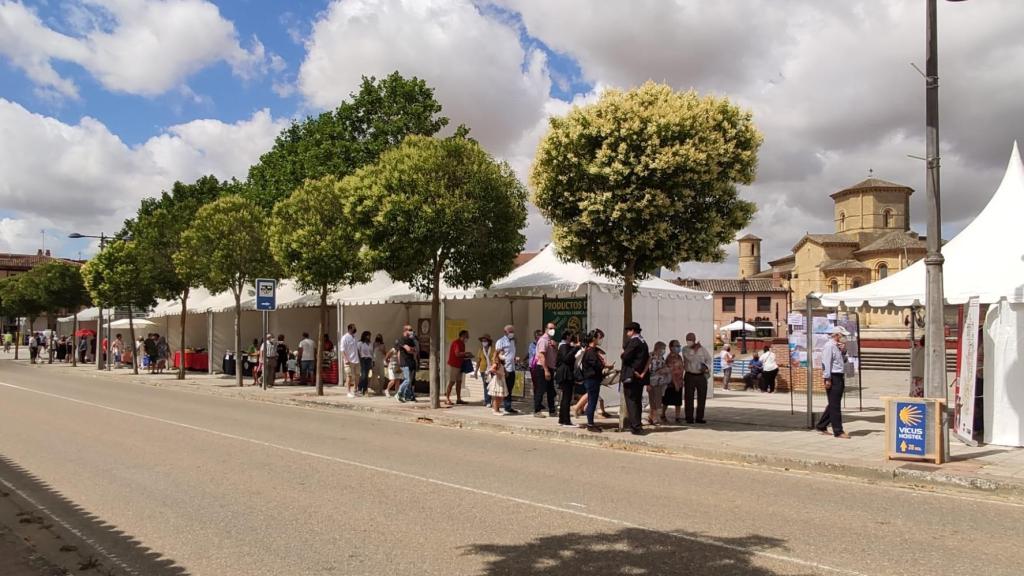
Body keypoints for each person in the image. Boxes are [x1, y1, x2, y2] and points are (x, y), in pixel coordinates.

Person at [816, 327, 850, 438]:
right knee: (835, 405)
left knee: (833, 403)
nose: (844, 338)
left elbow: (842, 361)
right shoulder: (829, 346)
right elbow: (826, 363)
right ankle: (838, 431)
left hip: (839, 375)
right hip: (833, 376)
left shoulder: (837, 346)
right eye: (843, 336)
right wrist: (827, 378)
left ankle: (821, 425)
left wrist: (843, 351)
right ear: (837, 335)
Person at [620, 322, 650, 435]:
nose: (627, 333)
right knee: (637, 401)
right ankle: (638, 424)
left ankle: (635, 426)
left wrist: (622, 354)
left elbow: (626, 356)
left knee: (631, 401)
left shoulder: (634, 341)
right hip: (639, 376)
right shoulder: (643, 341)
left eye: (628, 330)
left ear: (633, 331)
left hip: (631, 375)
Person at [580, 330, 612, 432]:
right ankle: (590, 424)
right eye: (599, 337)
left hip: (593, 379)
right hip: (592, 380)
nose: (600, 340)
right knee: (592, 402)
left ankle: (591, 423)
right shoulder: (590, 352)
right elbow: (596, 365)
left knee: (592, 401)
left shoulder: (593, 351)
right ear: (594, 338)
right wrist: (605, 368)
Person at [682, 332, 712, 424]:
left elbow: (709, 359)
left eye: (691, 339)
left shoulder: (702, 349)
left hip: (701, 376)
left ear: (695, 339)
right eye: (688, 339)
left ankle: (699, 417)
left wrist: (706, 367)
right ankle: (689, 417)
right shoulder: (685, 349)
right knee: (689, 397)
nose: (689, 340)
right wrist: (695, 349)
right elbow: (690, 358)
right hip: (690, 375)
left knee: (702, 397)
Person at [532, 322, 558, 417]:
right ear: (546, 329)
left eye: (554, 328)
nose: (552, 330)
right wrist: (546, 370)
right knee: (541, 390)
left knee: (551, 390)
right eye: (551, 328)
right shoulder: (543, 340)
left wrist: (555, 346)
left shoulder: (550, 340)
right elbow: (541, 356)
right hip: (542, 368)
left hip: (550, 367)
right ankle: (537, 410)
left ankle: (552, 410)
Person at [555, 330, 580, 427]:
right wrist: (575, 349)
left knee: (566, 398)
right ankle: (566, 420)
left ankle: (562, 419)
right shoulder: (563, 346)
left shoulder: (565, 346)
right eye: (571, 336)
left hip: (565, 374)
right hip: (565, 374)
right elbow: (566, 358)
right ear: (567, 336)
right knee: (566, 398)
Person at [494, 325, 520, 414]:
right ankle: (497, 407)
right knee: (502, 389)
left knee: (509, 388)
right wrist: (503, 359)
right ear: (505, 332)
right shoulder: (500, 341)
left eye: (513, 331)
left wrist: (515, 358)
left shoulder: (512, 341)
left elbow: (510, 354)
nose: (512, 333)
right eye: (510, 331)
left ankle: (508, 407)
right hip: (504, 369)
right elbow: (497, 355)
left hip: (512, 367)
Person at [445, 330, 473, 406]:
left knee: (459, 382)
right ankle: (447, 398)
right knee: (452, 382)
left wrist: (466, 356)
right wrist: (466, 353)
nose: (468, 337)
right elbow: (457, 354)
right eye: (467, 336)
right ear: (463, 336)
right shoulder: (456, 343)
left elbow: (461, 354)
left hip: (460, 365)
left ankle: (458, 399)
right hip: (454, 365)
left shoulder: (462, 344)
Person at [647, 341, 669, 426]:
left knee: (657, 401)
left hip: (659, 383)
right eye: (663, 348)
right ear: (658, 348)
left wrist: (665, 370)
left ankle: (652, 417)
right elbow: (647, 370)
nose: (664, 350)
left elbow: (663, 367)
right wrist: (647, 384)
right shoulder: (650, 356)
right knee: (653, 401)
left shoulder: (661, 358)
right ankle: (654, 418)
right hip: (651, 382)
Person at [663, 340, 685, 423]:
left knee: (678, 401)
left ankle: (677, 416)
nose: (678, 347)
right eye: (676, 345)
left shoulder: (679, 356)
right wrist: (675, 383)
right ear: (671, 347)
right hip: (671, 383)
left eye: (679, 345)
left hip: (679, 382)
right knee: (667, 400)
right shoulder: (670, 358)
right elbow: (670, 371)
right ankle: (662, 414)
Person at [396, 325, 418, 402]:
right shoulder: (401, 339)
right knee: (407, 380)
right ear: (405, 331)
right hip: (405, 362)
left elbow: (415, 350)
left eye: (411, 329)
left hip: (411, 361)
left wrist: (412, 350)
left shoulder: (411, 340)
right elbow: (408, 350)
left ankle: (407, 395)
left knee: (411, 380)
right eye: (410, 330)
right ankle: (399, 393)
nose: (411, 331)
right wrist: (412, 350)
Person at [476, 334, 497, 407]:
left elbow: (495, 359)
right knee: (486, 385)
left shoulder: (493, 349)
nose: (483, 342)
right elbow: (478, 361)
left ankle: (491, 400)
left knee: (492, 385)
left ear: (488, 342)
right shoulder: (481, 350)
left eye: (485, 341)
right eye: (482, 341)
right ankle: (487, 401)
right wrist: (476, 371)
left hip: (492, 370)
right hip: (483, 370)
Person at [487, 347, 509, 416]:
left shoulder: (501, 363)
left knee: (500, 396)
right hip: (498, 381)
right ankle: (496, 410)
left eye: (504, 353)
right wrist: (498, 373)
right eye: (502, 353)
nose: (503, 355)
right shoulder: (496, 363)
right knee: (497, 396)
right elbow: (491, 370)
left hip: (501, 380)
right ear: (498, 354)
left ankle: (497, 409)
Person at [341, 324, 360, 398]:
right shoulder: (345, 337)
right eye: (354, 328)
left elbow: (356, 349)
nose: (355, 329)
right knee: (349, 376)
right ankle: (348, 392)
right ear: (350, 328)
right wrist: (345, 359)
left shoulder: (354, 337)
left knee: (357, 376)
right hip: (349, 360)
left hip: (356, 360)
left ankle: (355, 390)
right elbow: (342, 350)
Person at [357, 330, 373, 395]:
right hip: (363, 359)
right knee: (363, 375)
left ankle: (365, 390)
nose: (369, 337)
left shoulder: (370, 343)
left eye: (369, 335)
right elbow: (358, 352)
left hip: (369, 359)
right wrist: (359, 359)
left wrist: (372, 361)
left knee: (367, 376)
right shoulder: (360, 343)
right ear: (364, 335)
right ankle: (359, 388)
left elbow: (372, 353)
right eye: (368, 335)